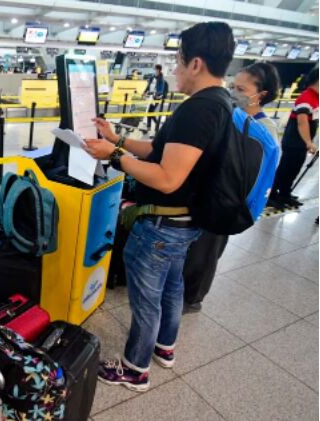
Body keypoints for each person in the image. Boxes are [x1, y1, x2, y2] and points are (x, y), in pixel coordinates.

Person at [85, 21, 235, 391]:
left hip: (162, 227)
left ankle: (135, 368)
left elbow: (168, 177)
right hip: (184, 223)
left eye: (178, 61)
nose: (174, 69)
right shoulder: (219, 102)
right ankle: (164, 347)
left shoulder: (199, 110)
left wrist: (114, 155)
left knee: (147, 299)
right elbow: (158, 150)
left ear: (196, 63)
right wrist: (117, 138)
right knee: (171, 287)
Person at [183, 61, 282, 314]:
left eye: (241, 88)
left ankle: (192, 299)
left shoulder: (265, 129)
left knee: (205, 253)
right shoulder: (231, 115)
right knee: (196, 249)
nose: (233, 92)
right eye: (232, 86)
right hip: (211, 194)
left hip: (229, 201)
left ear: (261, 95)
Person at [268, 69, 319, 209]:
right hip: (293, 142)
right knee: (285, 169)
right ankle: (271, 195)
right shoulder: (306, 97)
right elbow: (301, 122)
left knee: (293, 170)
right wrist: (309, 142)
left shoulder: (316, 98)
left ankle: (284, 194)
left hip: (300, 143)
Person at [145, 64, 167, 131]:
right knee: (150, 112)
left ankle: (154, 125)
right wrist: (145, 91)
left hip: (156, 97)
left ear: (158, 69)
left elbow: (161, 89)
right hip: (151, 97)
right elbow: (149, 85)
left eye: (155, 69)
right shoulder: (152, 77)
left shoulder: (161, 79)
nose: (154, 70)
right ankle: (152, 126)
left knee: (150, 112)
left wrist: (156, 94)